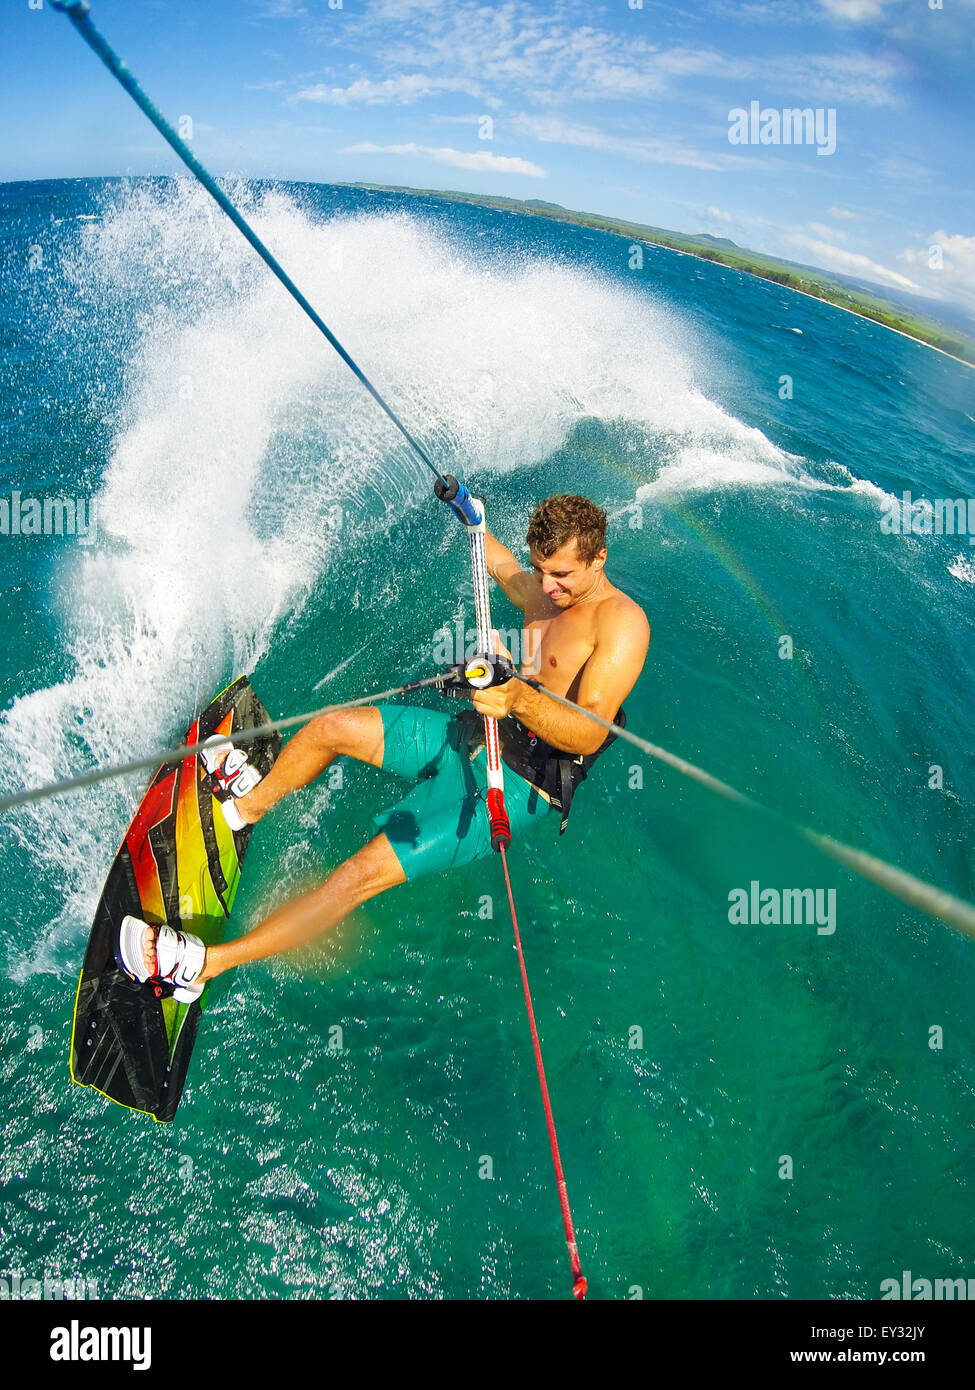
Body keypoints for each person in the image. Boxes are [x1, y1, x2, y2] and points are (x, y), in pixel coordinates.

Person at [117, 494, 651, 1000]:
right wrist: (470, 514)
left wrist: (518, 699)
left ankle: (199, 968)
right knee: (330, 728)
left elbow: (589, 732)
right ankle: (245, 808)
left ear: (598, 557)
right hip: (476, 735)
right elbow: (504, 569)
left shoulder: (621, 624)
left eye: (561, 575)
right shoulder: (541, 584)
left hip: (515, 787)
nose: (547, 586)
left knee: (354, 877)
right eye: (542, 569)